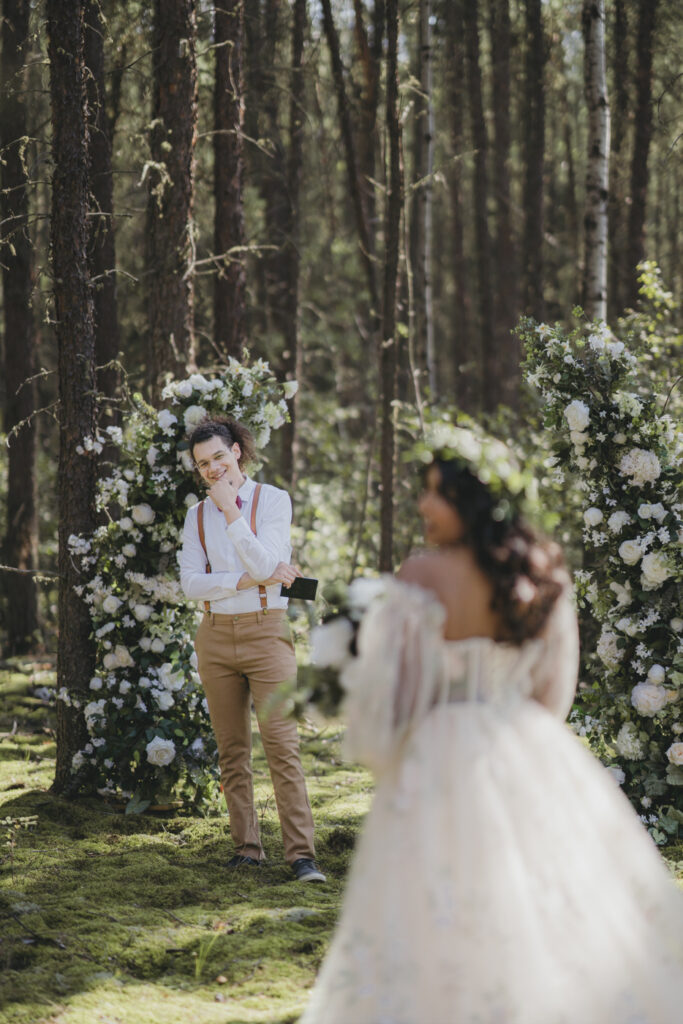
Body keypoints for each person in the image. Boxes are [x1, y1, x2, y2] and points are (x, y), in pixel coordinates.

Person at [300, 428, 683, 1023]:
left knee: (432, 916)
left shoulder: (421, 574)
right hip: (527, 752)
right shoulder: (544, 567)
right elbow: (553, 696)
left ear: (473, 499)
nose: (424, 506)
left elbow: (394, 710)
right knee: (540, 913)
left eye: (438, 494)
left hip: (436, 759)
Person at [179, 416, 325, 883]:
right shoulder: (194, 516)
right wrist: (241, 581)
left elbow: (269, 562)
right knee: (232, 751)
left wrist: (231, 511)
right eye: (203, 464)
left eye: (219, 456)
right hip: (215, 635)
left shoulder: (273, 501)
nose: (212, 469)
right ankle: (247, 849)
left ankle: (302, 856)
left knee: (283, 746)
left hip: (267, 633)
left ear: (237, 451)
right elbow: (190, 583)